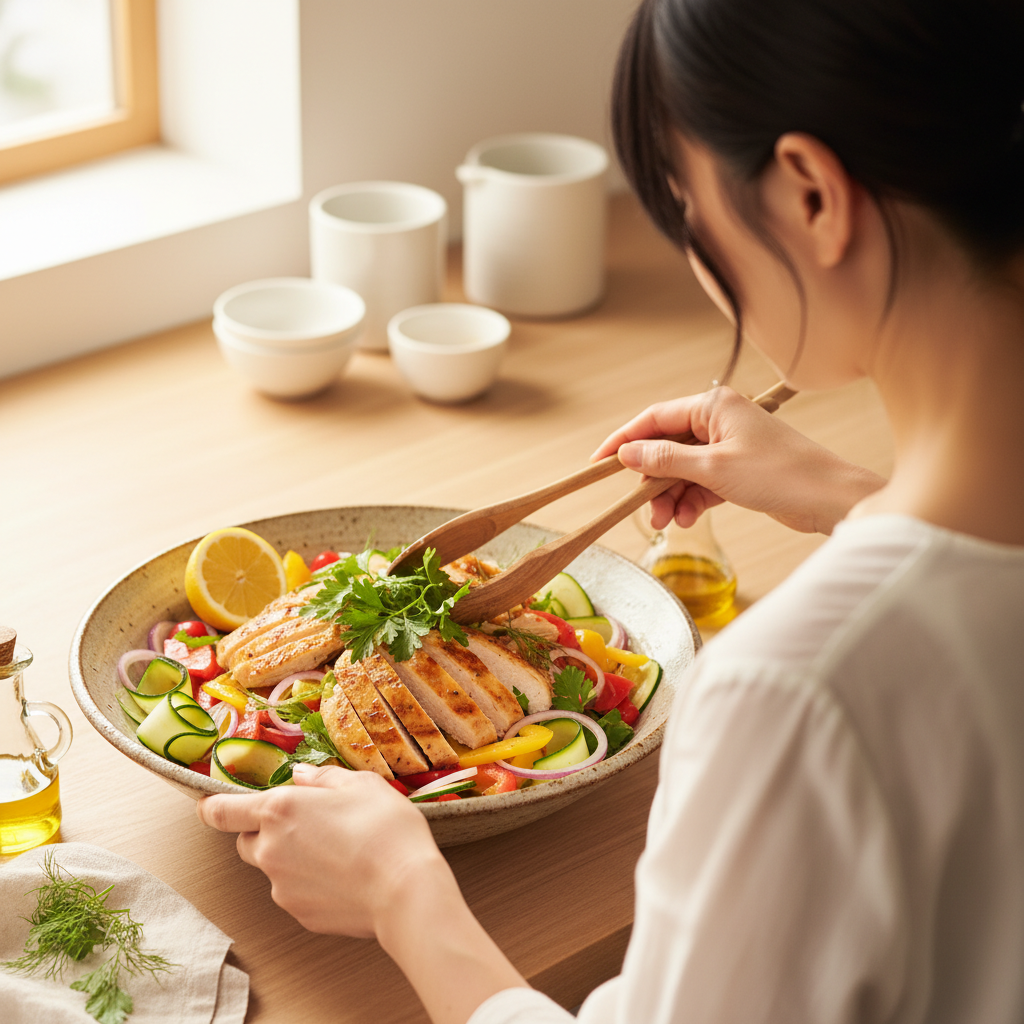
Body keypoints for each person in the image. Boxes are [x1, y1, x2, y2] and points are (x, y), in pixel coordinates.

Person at [197, 0, 1024, 1020]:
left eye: (681, 206)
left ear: (810, 195)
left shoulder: (795, 693)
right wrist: (853, 501)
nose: (692, 254)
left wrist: (403, 896)